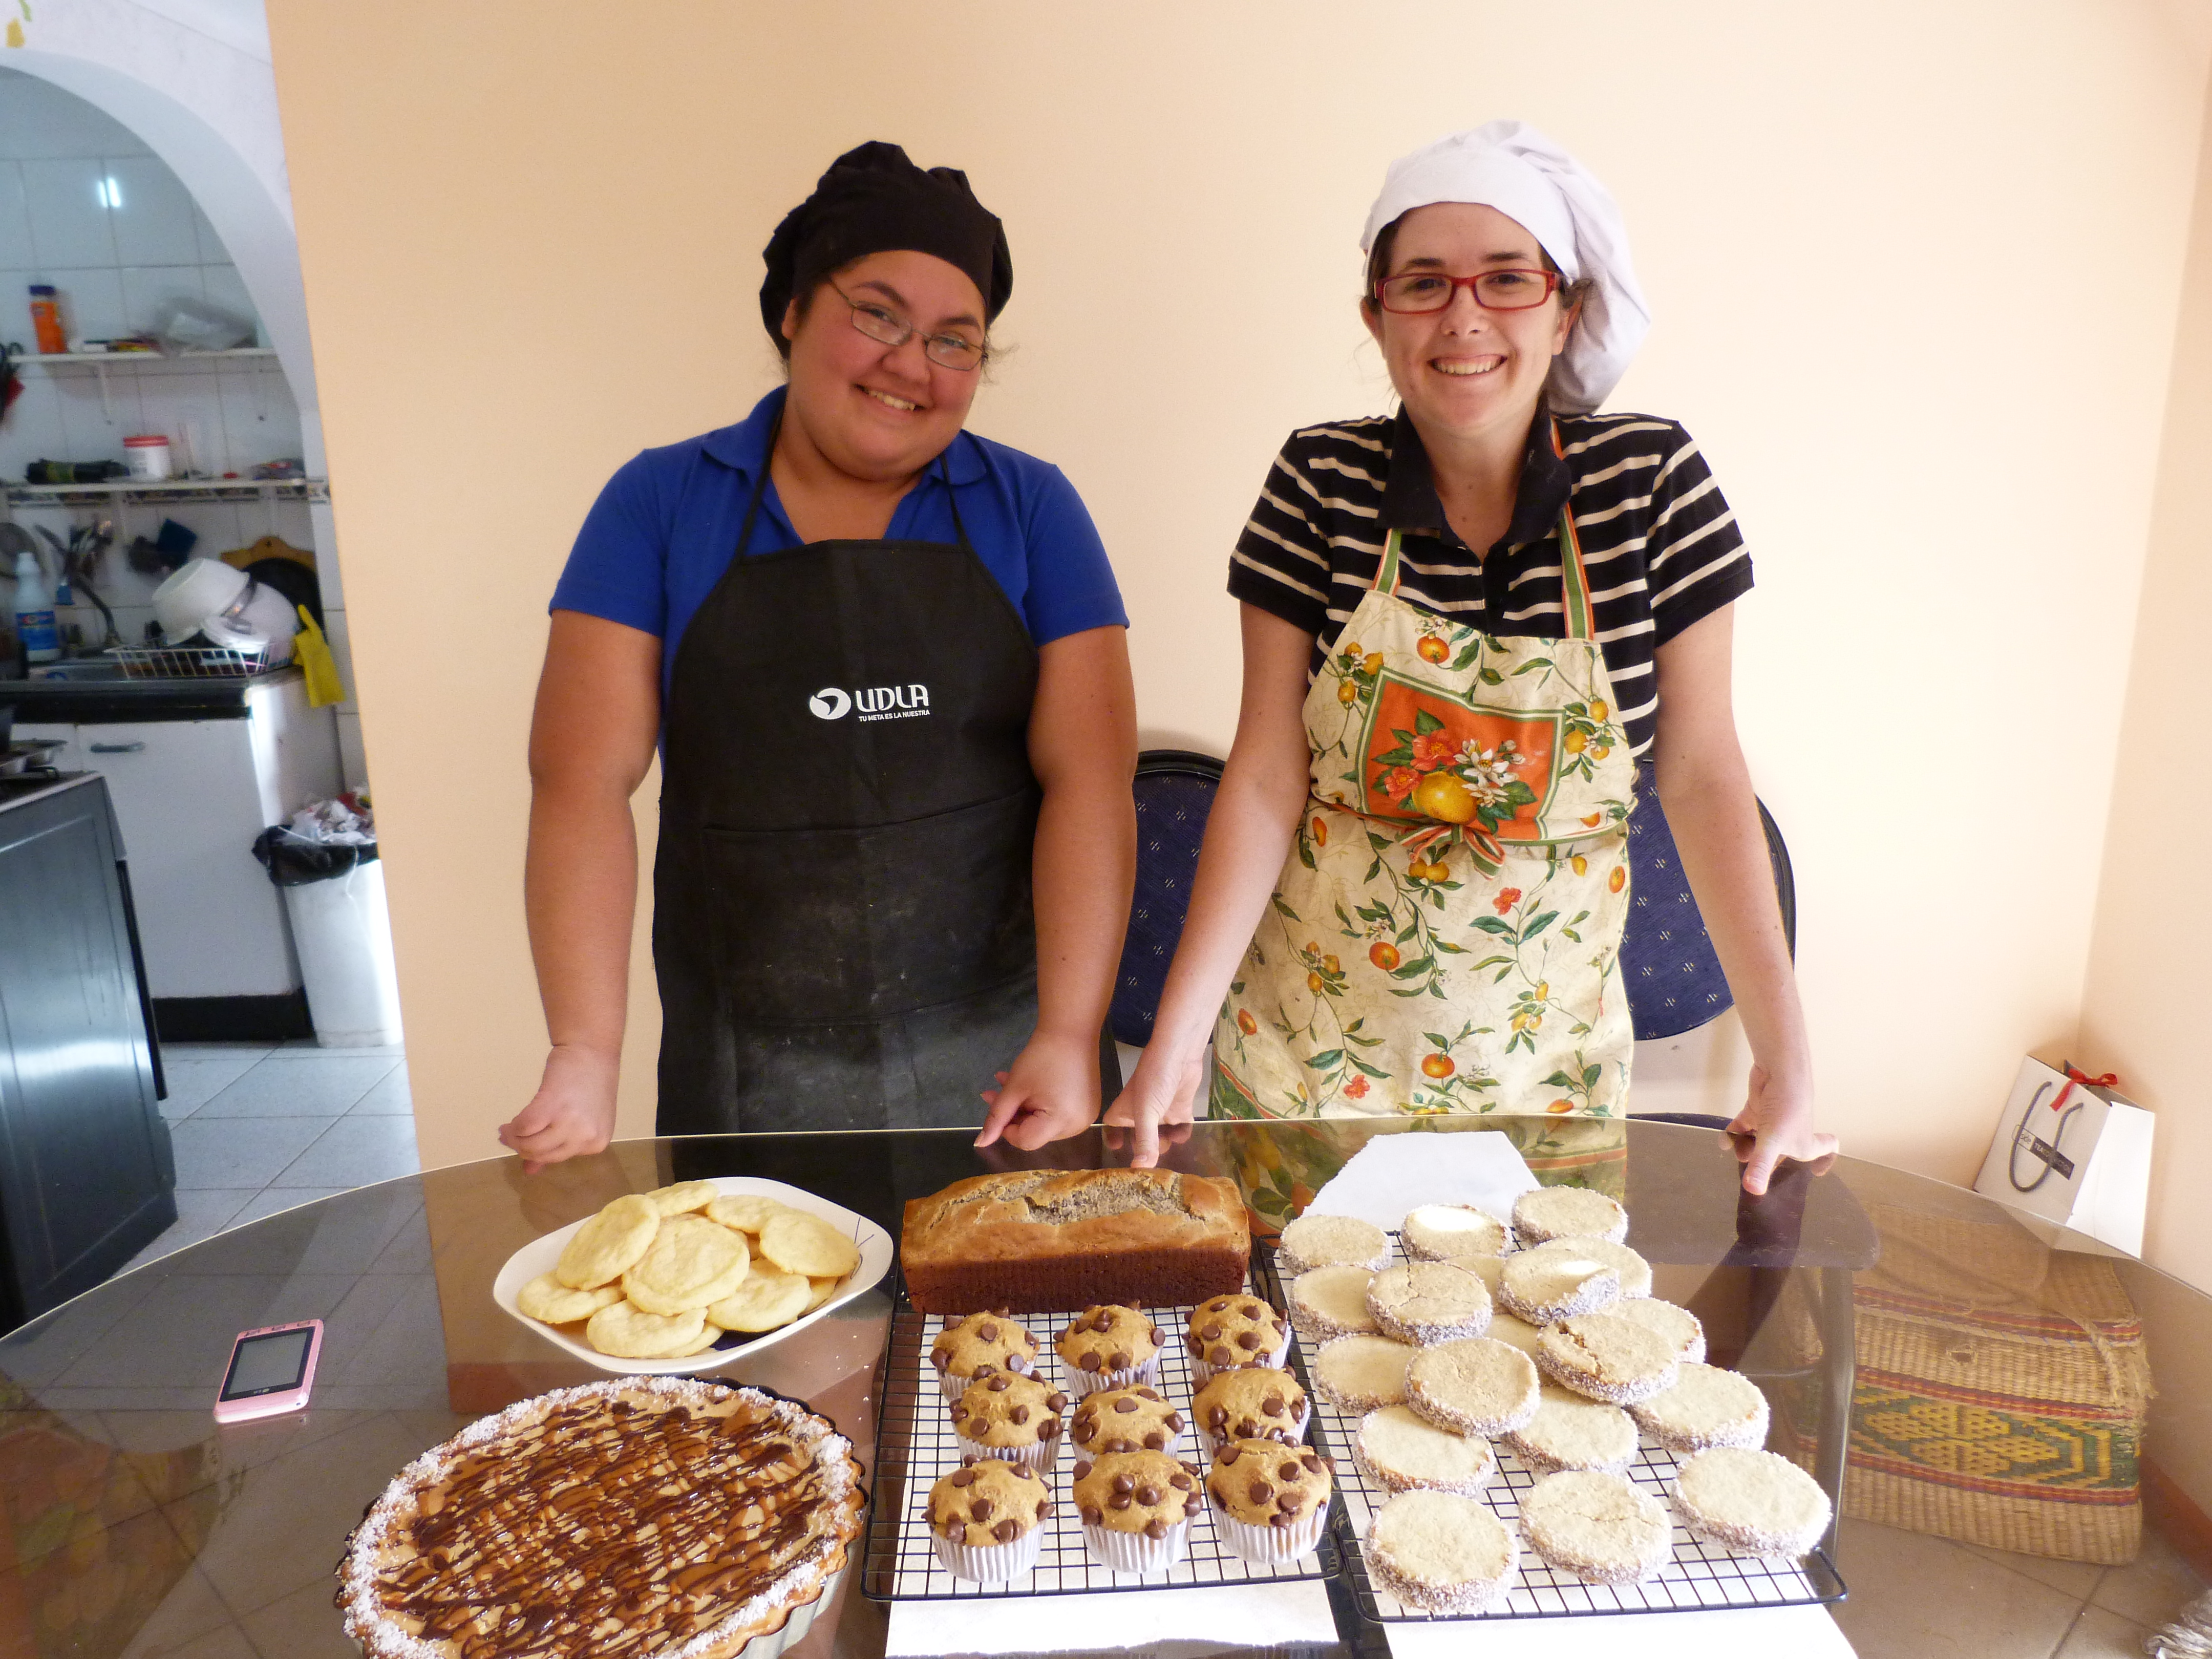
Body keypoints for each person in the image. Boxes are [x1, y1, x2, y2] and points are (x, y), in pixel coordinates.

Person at [1107, 122, 1833, 1195]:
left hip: (1546, 1078)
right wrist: (1175, 1046)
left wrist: (1788, 1061)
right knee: (1293, 1307)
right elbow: (1264, 776)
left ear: (1564, 309)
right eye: (1423, 284)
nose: (1463, 316)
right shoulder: (1319, 481)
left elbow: (1702, 774)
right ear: (1376, 315)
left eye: (1506, 279)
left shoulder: (1651, 486)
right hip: (1309, 1062)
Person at [500, 142, 1136, 1167]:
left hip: (1010, 1069)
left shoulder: (1033, 509)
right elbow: (580, 782)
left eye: (955, 341)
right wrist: (584, 1049)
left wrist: (1069, 1033)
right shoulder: (658, 505)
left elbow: (1091, 782)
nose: (911, 364)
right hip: (751, 1075)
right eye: (877, 315)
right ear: (793, 310)